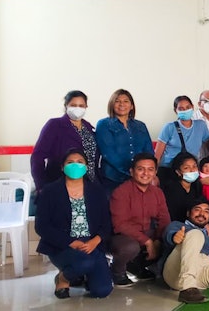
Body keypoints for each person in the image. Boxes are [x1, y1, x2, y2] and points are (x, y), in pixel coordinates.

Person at [35, 149, 112, 300]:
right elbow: (41, 226)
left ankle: (84, 274)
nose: (75, 166)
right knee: (85, 262)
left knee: (102, 290)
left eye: (80, 162)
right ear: (62, 167)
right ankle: (63, 279)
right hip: (63, 245)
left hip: (91, 244)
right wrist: (70, 242)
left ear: (86, 167)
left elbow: (106, 222)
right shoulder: (50, 191)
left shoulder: (96, 191)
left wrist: (95, 241)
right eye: (70, 163)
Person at [109, 152, 170, 288]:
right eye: (140, 169)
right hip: (123, 237)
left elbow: (164, 219)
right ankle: (117, 272)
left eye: (150, 169)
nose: (145, 173)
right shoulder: (121, 192)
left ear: (155, 172)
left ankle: (137, 266)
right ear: (132, 171)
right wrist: (148, 242)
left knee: (171, 237)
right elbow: (120, 225)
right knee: (130, 247)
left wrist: (158, 240)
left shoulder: (157, 192)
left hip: (147, 232)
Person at [32, 90, 98, 192]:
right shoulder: (54, 125)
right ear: (66, 106)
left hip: (88, 184)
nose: (77, 108)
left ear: (86, 107)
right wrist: (41, 185)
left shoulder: (89, 128)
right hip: (59, 183)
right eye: (73, 105)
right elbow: (37, 157)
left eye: (81, 106)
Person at [95, 89, 153, 191]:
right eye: (117, 101)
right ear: (112, 104)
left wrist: (147, 171)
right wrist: (131, 171)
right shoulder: (104, 124)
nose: (122, 104)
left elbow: (148, 151)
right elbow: (109, 153)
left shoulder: (140, 126)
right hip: (113, 178)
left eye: (126, 101)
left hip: (140, 178)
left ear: (131, 106)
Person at [155, 95, 209, 167]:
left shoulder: (201, 125)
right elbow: (157, 155)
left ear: (192, 107)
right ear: (175, 110)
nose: (185, 110)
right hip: (168, 168)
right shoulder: (169, 127)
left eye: (188, 107)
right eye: (181, 109)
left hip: (190, 169)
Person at [161, 152, 204, 223]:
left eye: (194, 166)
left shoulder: (197, 187)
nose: (192, 170)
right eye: (186, 168)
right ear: (178, 172)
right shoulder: (172, 189)